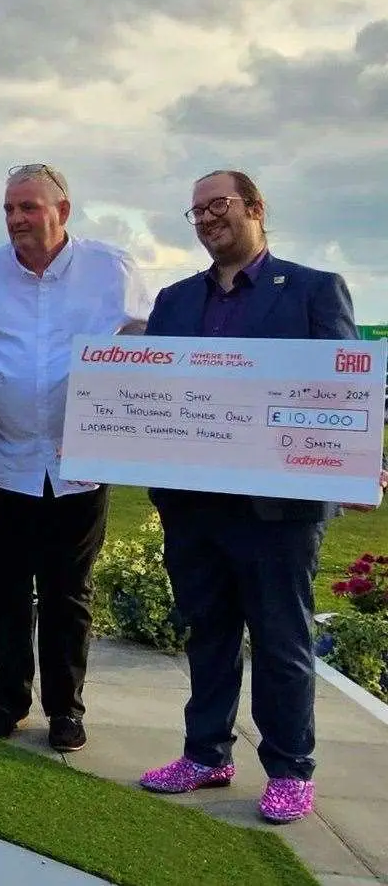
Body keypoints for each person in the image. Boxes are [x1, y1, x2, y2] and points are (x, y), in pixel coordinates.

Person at [138, 170, 380, 823]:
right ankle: (206, 752)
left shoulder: (311, 290)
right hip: (194, 504)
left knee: (281, 640)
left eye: (219, 204)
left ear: (255, 208)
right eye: (197, 211)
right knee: (207, 632)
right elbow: (152, 397)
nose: (209, 218)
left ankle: (291, 767)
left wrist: (357, 461)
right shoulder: (175, 300)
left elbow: (343, 388)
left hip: (279, 510)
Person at [0, 163, 151, 752]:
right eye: (9, 209)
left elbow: (145, 341)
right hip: (4, 460)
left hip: (79, 465)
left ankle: (65, 709)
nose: (16, 220)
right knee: (6, 589)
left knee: (69, 593)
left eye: (29, 208)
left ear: (62, 210)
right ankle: (9, 699)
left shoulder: (110, 269)